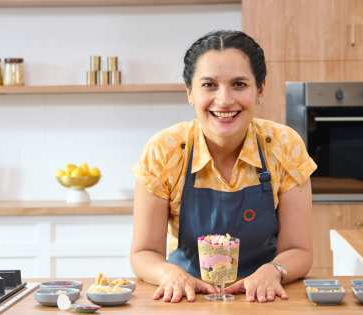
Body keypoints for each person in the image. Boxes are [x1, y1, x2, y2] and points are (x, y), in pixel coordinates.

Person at [130, 30, 316, 303]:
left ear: (260, 89)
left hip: (265, 299)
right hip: (187, 299)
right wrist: (167, 273)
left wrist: (274, 270)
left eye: (239, 84)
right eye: (209, 85)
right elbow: (143, 253)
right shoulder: (164, 150)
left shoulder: (284, 145)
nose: (225, 99)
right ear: (189, 92)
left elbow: (299, 250)